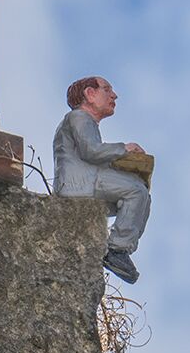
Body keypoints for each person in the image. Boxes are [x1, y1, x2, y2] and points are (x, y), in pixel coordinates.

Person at [53, 76, 150, 283]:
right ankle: (117, 250)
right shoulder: (79, 117)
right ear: (90, 94)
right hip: (78, 184)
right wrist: (124, 149)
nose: (113, 95)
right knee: (136, 190)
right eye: (106, 89)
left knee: (142, 194)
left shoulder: (85, 122)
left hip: (86, 180)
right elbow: (91, 151)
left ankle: (121, 249)